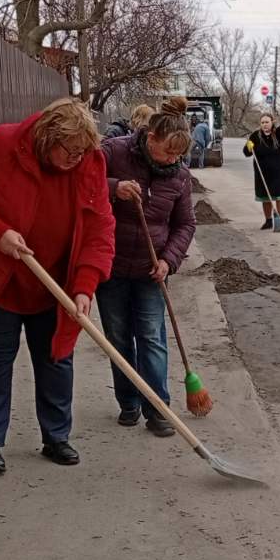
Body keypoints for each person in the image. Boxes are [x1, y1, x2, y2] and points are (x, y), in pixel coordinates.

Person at [0, 98, 115, 477]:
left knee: (56, 359)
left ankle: (56, 437)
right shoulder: (3, 144)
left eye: (82, 153)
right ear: (47, 138)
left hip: (55, 285)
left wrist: (84, 287)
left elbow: (100, 229)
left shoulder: (89, 163)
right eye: (69, 152)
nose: (76, 160)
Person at [97, 96, 196, 438]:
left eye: (179, 155)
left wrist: (169, 260)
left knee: (152, 337)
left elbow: (185, 224)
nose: (173, 160)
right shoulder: (114, 152)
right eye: (168, 152)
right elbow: (80, 183)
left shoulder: (180, 175)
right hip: (110, 265)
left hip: (152, 269)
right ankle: (128, 403)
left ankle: (158, 408)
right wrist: (113, 188)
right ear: (150, 137)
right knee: (118, 337)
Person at [244, 111, 280, 230]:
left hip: (278, 171)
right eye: (262, 122)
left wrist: (279, 127)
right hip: (262, 172)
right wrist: (248, 147)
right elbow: (247, 153)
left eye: (267, 122)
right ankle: (268, 221)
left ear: (272, 122)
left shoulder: (278, 133)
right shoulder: (255, 136)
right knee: (265, 198)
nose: (264, 124)